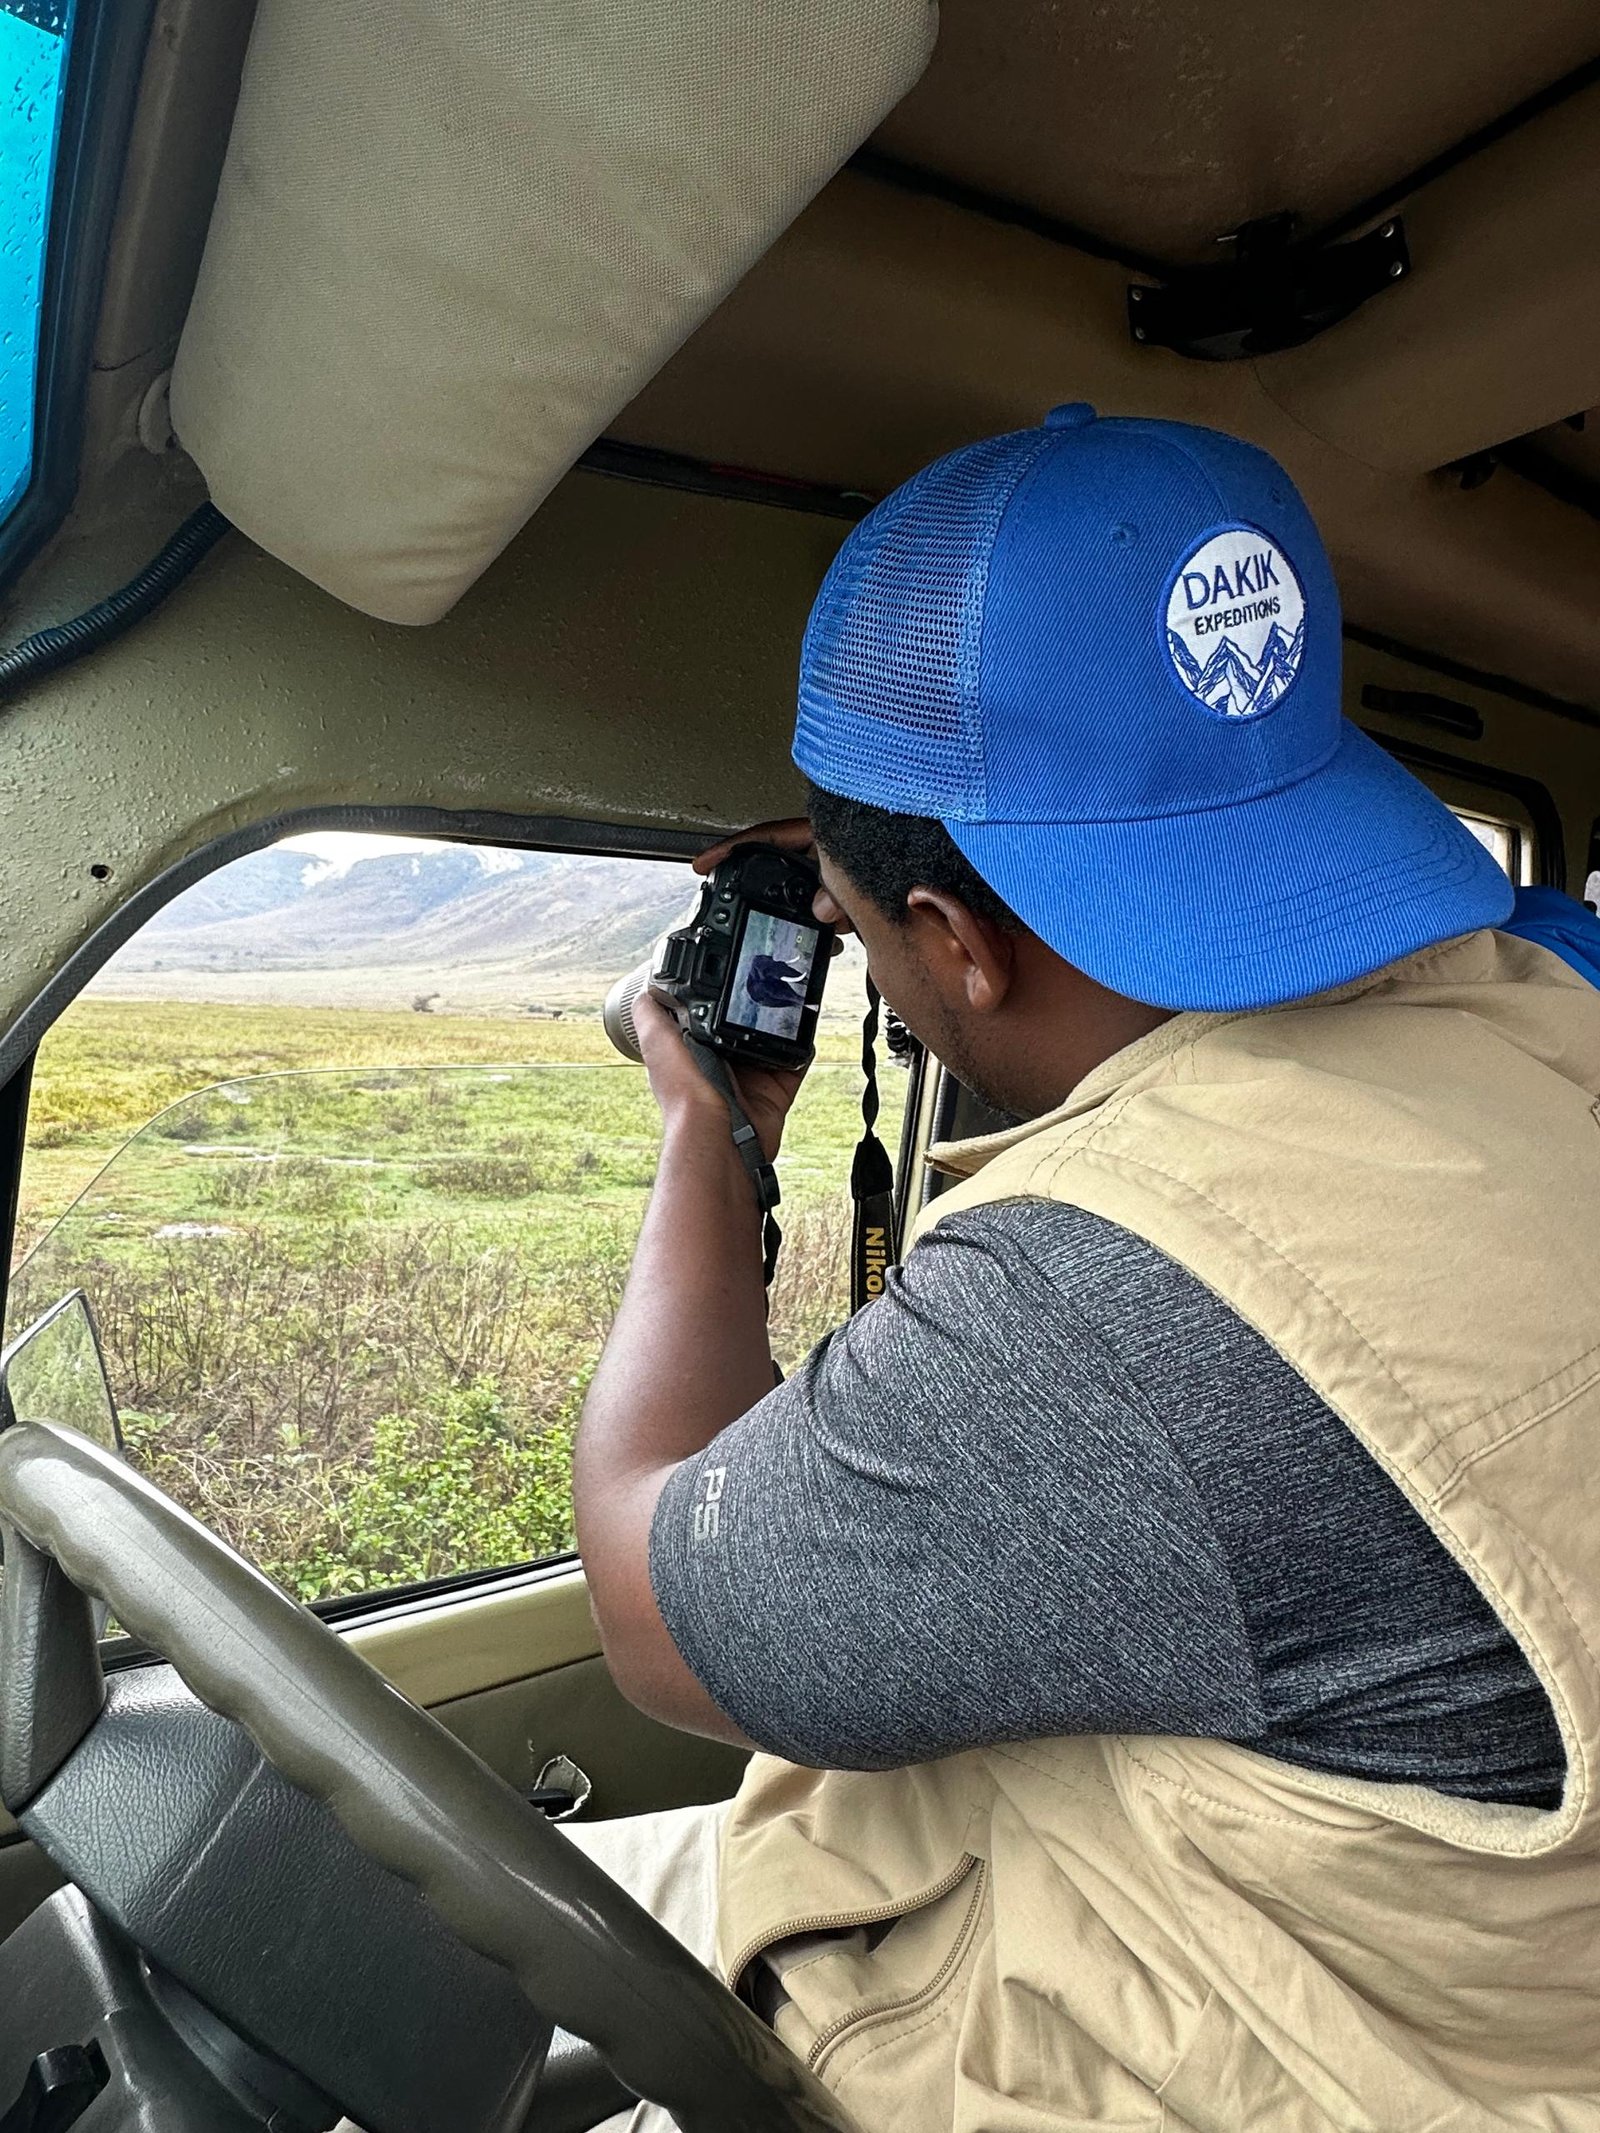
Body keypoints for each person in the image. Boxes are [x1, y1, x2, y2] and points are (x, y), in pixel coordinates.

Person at [570, 406, 1600, 2131]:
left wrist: (707, 1122)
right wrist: (906, 871)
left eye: (872, 929)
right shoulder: (1549, 1009)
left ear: (958, 945)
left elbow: (646, 1598)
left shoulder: (1108, 1298)